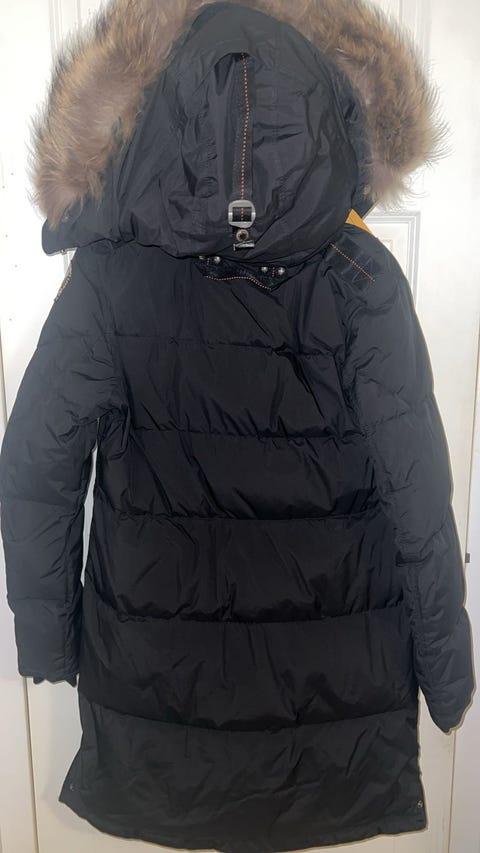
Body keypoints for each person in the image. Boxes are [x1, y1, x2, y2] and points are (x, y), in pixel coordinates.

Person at [0, 1, 474, 850]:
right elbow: (417, 488)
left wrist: (49, 636)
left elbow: (38, 464)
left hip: (158, 705)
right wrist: (445, 670)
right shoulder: (362, 279)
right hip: (330, 721)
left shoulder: (110, 276)